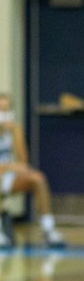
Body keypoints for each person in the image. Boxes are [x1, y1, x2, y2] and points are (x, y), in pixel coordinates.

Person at [0, 93, 65, 249]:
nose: (4, 115)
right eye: (1, 110)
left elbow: (23, 162)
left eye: (7, 110)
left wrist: (13, 133)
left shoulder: (14, 130)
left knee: (37, 178)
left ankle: (48, 229)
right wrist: (9, 167)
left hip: (8, 176)